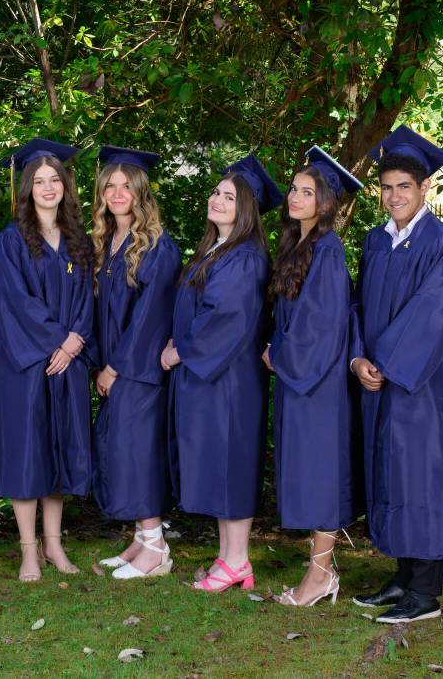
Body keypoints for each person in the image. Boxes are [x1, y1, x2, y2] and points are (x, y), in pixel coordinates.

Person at [349, 126, 443, 624]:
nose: (394, 195)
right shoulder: (376, 241)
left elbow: (435, 313)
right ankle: (402, 576)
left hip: (418, 384)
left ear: (424, 190)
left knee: (418, 477)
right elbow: (354, 307)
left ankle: (425, 592)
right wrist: (358, 359)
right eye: (388, 186)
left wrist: (390, 365)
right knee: (390, 474)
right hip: (377, 380)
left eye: (405, 186)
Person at [161, 155, 279, 592]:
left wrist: (179, 353)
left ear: (246, 207)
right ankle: (231, 558)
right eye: (216, 192)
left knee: (232, 465)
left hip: (230, 380)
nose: (217, 199)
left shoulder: (245, 257)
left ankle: (237, 559)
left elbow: (224, 317)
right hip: (213, 378)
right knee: (220, 464)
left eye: (229, 197)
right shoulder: (217, 249)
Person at [0, 138, 96, 582]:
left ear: (65, 187)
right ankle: (28, 550)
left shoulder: (78, 239)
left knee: (59, 453)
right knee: (29, 455)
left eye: (55, 180)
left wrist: (75, 342)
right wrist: (58, 340)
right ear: (27, 189)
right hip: (27, 365)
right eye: (39, 181)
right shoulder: (11, 241)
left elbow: (89, 300)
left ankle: (54, 544)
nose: (48, 187)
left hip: (67, 361)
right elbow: (15, 302)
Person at [262, 146, 361, 606]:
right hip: (299, 381)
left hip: (316, 383)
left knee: (321, 476)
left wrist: (279, 354)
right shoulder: (299, 245)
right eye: (294, 189)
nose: (294, 197)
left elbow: (321, 326)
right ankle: (321, 572)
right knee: (309, 473)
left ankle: (320, 577)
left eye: (307, 192)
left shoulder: (328, 251)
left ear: (325, 204)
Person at [90, 146, 181, 579]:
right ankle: (140, 540)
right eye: (110, 185)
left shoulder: (158, 246)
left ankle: (157, 548)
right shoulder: (108, 242)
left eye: (127, 185)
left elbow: (148, 318)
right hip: (119, 366)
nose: (118, 192)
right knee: (122, 450)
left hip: (139, 370)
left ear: (141, 192)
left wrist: (115, 367)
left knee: (138, 453)